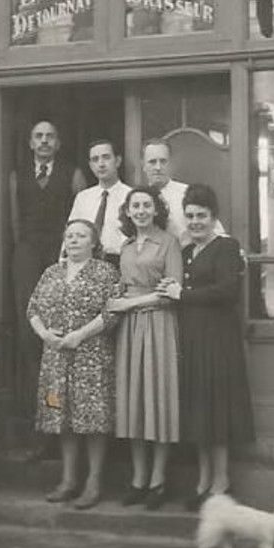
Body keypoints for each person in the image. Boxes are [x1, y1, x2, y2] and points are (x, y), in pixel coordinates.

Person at [157, 184, 254, 510]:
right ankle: (202, 480)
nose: (195, 221)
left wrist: (181, 294)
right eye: (190, 216)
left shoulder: (226, 247)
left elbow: (227, 291)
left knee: (217, 411)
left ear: (214, 218)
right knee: (199, 411)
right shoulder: (184, 253)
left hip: (218, 339)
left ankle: (220, 482)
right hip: (192, 338)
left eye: (202, 215)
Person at [27, 219, 122, 509]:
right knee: (62, 416)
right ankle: (68, 480)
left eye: (81, 236)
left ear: (93, 242)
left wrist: (79, 335)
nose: (74, 241)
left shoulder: (105, 272)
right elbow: (32, 308)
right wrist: (45, 333)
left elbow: (112, 312)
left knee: (92, 419)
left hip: (91, 355)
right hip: (56, 356)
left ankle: (93, 482)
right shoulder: (51, 272)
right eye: (69, 236)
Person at [9, 119, 85, 447]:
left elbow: (81, 221)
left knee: (60, 340)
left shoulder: (73, 174)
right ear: (30, 143)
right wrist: (24, 253)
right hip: (27, 256)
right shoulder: (17, 177)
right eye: (38, 136)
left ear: (58, 143)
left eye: (50, 136)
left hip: (61, 256)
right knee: (32, 340)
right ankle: (41, 426)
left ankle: (63, 426)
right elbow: (13, 223)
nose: (44, 141)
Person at [107, 186, 182, 510]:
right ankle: (138, 479)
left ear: (156, 210)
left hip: (159, 324)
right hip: (130, 329)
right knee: (134, 401)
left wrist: (129, 304)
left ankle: (158, 480)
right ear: (128, 211)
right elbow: (120, 288)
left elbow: (170, 292)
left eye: (146, 205)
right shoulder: (124, 246)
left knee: (159, 400)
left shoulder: (169, 243)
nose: (140, 211)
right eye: (134, 205)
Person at [141, 138, 226, 246]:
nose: (158, 167)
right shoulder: (138, 200)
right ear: (143, 165)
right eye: (152, 162)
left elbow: (216, 232)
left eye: (163, 161)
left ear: (170, 163)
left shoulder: (188, 194)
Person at [67, 138, 132, 267]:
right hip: (85, 263)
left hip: (120, 262)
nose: (101, 164)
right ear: (91, 165)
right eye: (95, 160)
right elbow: (70, 233)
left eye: (106, 158)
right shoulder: (83, 198)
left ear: (117, 161)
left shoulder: (131, 197)